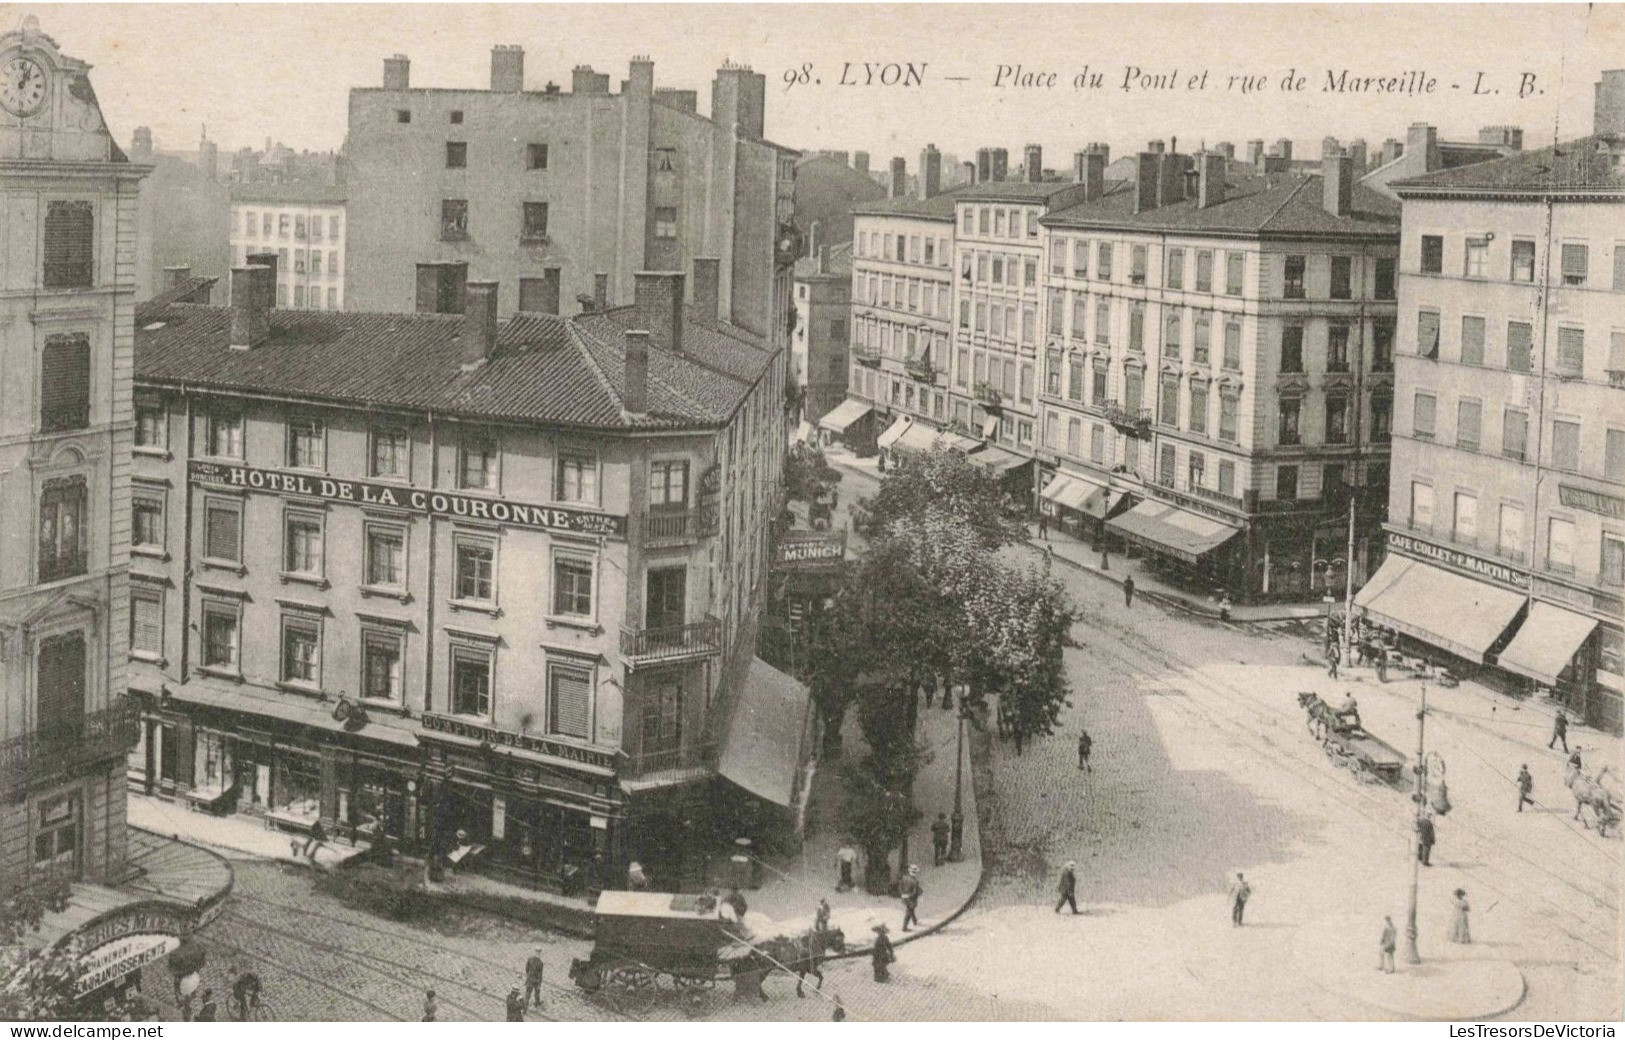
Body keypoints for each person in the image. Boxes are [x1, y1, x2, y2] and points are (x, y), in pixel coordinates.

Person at [899, 864, 922, 931]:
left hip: (904, 897)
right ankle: (904, 927)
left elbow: (900, 887)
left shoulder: (904, 877)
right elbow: (915, 892)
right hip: (911, 899)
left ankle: (915, 921)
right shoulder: (915, 881)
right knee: (909, 912)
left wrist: (902, 894)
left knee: (910, 909)